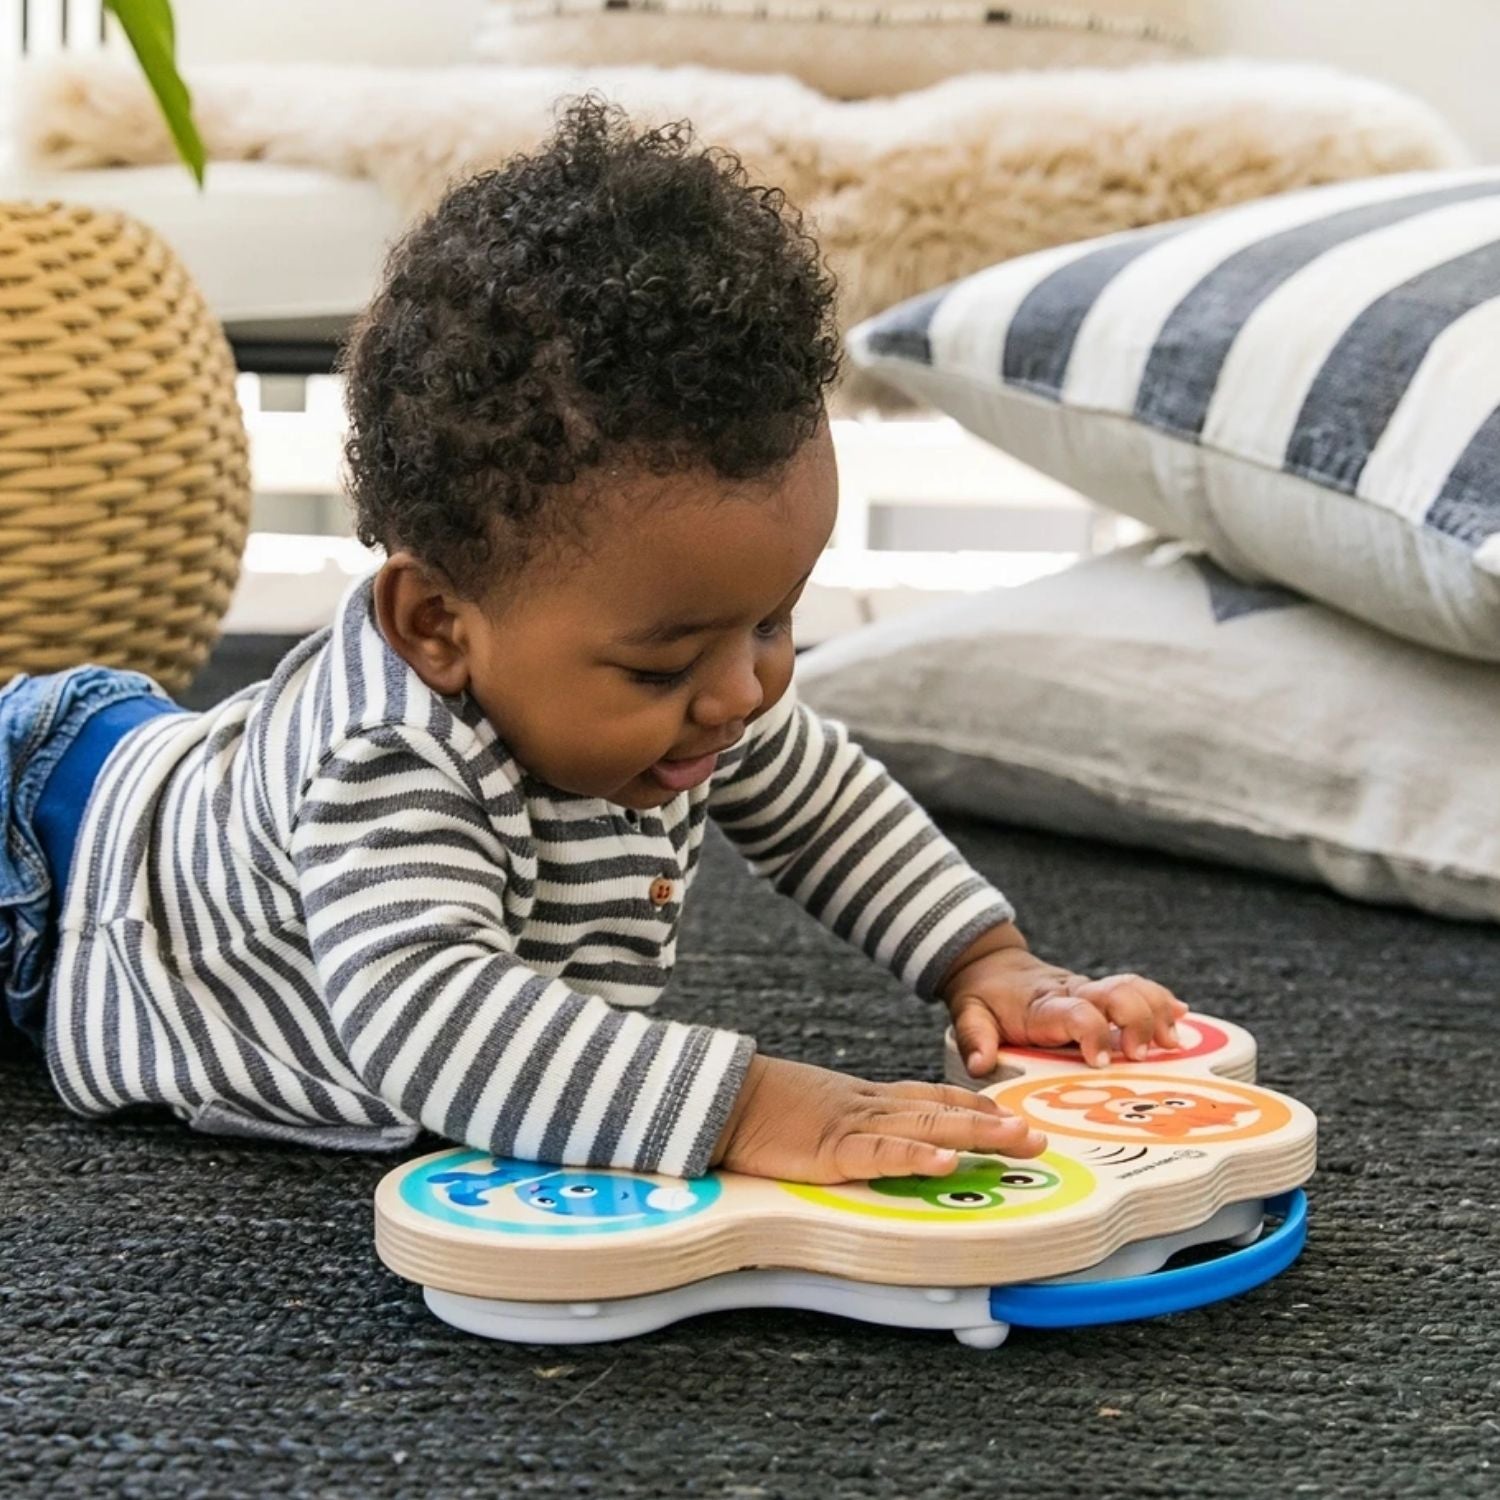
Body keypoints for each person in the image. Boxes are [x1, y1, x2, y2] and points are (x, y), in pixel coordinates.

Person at [0, 98, 1185, 1186]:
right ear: (437, 627)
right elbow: (430, 1017)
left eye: (774, 621)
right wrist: (751, 1108)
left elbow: (822, 798)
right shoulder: (388, 763)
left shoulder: (698, 687)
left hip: (139, 768)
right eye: (664, 665)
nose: (742, 692)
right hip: (51, 879)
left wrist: (984, 959)